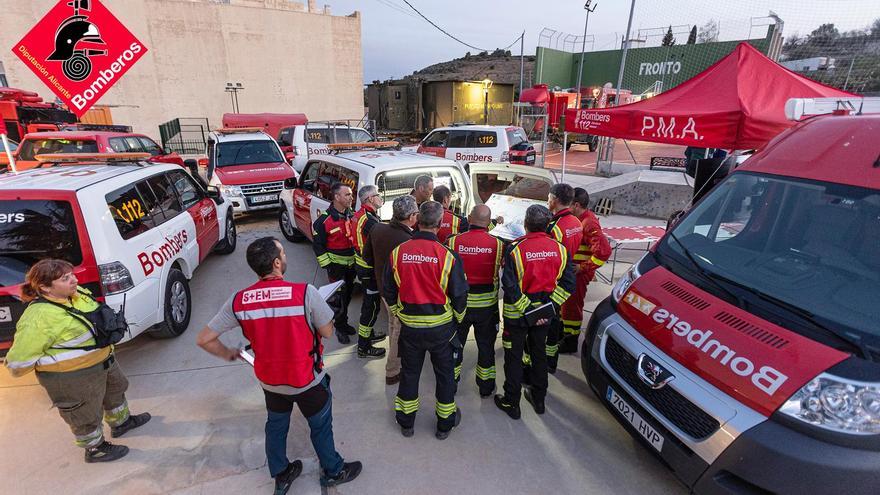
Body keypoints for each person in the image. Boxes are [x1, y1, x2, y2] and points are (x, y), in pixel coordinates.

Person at [197, 237, 362, 495]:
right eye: (283, 253)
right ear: (276, 262)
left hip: (271, 382)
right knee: (319, 427)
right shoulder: (305, 293)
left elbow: (204, 339)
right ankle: (334, 470)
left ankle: (282, 473)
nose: (285, 257)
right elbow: (328, 332)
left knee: (276, 426)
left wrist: (231, 353)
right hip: (307, 381)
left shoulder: (238, 300)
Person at [4, 259, 151, 463]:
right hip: (72, 378)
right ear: (45, 287)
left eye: (72, 274)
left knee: (115, 393)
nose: (74, 280)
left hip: (103, 362)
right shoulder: (38, 317)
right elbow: (18, 362)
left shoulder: (75, 293)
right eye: (65, 278)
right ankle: (95, 449)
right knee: (84, 414)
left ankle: (122, 423)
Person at [383, 201, 468, 440]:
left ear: (417, 221)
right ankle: (444, 425)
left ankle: (407, 423)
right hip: (442, 330)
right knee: (445, 376)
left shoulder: (398, 252)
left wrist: (400, 312)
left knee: (409, 374)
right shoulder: (448, 256)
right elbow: (460, 295)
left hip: (410, 328)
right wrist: (457, 320)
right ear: (440, 225)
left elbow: (388, 289)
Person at [495, 205, 575, 419]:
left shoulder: (515, 249)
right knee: (538, 354)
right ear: (547, 224)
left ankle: (512, 402)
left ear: (526, 224)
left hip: (517, 317)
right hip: (544, 316)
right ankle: (539, 399)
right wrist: (549, 308)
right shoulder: (560, 249)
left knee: (513, 357)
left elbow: (509, 286)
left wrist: (527, 309)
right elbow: (568, 284)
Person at [446, 204, 503, 397]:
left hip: (459, 308)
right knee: (486, 348)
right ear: (488, 223)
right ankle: (486, 387)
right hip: (487, 309)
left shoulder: (453, 242)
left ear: (469, 218)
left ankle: (451, 384)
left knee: (455, 346)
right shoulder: (499, 244)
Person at [363, 195, 418, 385]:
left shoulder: (377, 228)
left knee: (392, 327)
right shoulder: (408, 240)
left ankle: (394, 366)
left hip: (383, 290)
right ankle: (392, 371)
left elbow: (367, 256)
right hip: (399, 295)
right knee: (397, 332)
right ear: (411, 217)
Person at [559, 188, 611, 354]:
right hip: (572, 271)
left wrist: (583, 267)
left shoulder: (588, 223)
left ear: (576, 204)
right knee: (565, 305)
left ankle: (570, 340)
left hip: (578, 273)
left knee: (572, 306)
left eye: (569, 204)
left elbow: (603, 252)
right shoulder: (578, 218)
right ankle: (565, 332)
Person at [544, 183, 583, 373]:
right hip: (565, 277)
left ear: (556, 200)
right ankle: (552, 360)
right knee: (556, 318)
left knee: (547, 323)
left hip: (552, 279)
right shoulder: (576, 222)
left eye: (549, 197)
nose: (547, 201)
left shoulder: (554, 228)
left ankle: (545, 361)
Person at [313, 182, 357, 344]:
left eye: (351, 194)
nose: (351, 197)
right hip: (336, 267)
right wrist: (328, 266)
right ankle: (339, 327)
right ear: (337, 197)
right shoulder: (324, 221)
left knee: (348, 296)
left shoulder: (352, 215)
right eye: (347, 195)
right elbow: (318, 245)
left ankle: (343, 323)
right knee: (338, 299)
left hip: (351, 265)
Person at [350, 185, 386, 358]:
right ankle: (363, 346)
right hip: (369, 270)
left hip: (363, 267)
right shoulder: (369, 221)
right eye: (378, 195)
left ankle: (368, 335)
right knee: (370, 308)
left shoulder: (362, 216)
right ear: (370, 199)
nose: (380, 198)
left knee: (370, 305)